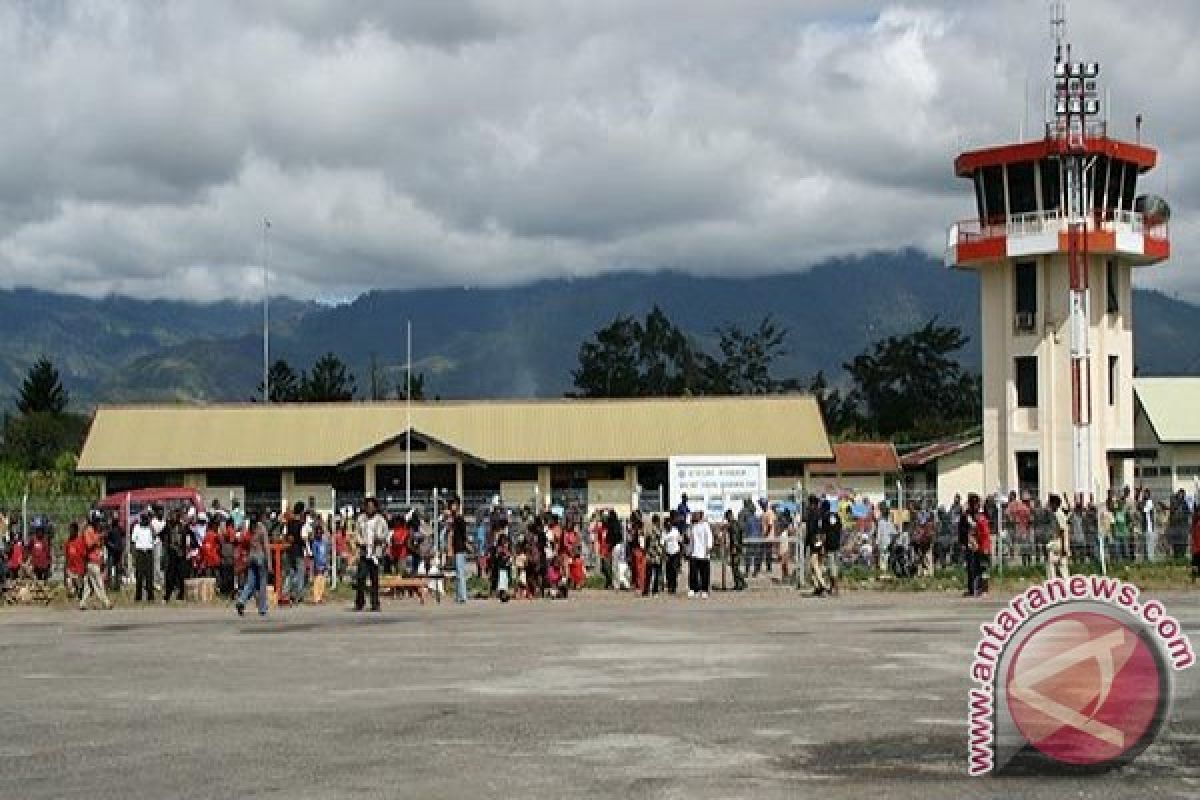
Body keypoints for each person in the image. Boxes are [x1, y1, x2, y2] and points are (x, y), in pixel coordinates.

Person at [355, 497, 386, 612]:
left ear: (376, 507)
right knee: (361, 578)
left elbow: (385, 534)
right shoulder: (361, 519)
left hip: (375, 554)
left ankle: (375, 603)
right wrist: (361, 542)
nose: (370, 508)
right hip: (364, 552)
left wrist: (379, 539)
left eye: (372, 506)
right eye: (368, 506)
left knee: (374, 580)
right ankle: (359, 602)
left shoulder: (380, 520)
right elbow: (357, 533)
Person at [235, 519, 270, 617]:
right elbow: (266, 546)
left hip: (251, 557)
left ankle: (241, 600)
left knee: (250, 583)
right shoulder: (261, 527)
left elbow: (244, 541)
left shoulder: (248, 527)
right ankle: (262, 608)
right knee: (262, 584)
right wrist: (269, 562)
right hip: (260, 557)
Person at [79, 519, 112, 610]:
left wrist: (102, 536)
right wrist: (99, 536)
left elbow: (99, 545)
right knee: (99, 583)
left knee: (88, 585)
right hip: (91, 561)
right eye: (97, 521)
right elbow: (89, 544)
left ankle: (82, 603)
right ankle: (106, 602)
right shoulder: (88, 531)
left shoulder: (95, 531)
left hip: (96, 560)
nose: (99, 523)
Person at [162, 510, 189, 603]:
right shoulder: (168, 526)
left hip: (181, 554)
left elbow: (187, 539)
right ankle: (167, 596)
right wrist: (167, 546)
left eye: (176, 516)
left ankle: (181, 595)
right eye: (173, 516)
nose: (175, 518)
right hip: (172, 553)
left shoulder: (183, 527)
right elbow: (161, 535)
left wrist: (185, 550)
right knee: (170, 575)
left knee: (181, 576)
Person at [283, 502, 306, 604]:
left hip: (289, 550)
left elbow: (286, 535)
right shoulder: (301, 524)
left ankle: (286, 592)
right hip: (298, 550)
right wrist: (304, 542)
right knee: (299, 574)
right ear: (301, 511)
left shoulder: (289, 523)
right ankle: (297, 595)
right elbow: (302, 538)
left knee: (291, 572)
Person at [131, 511, 156, 603]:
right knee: (139, 575)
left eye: (147, 519)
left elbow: (155, 537)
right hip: (140, 552)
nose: (145, 520)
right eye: (144, 519)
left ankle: (150, 596)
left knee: (149, 575)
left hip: (149, 552)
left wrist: (151, 527)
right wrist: (134, 555)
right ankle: (138, 597)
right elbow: (133, 541)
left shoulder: (150, 528)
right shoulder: (137, 527)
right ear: (141, 519)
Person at [448, 498, 469, 604]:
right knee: (457, 573)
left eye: (454, 505)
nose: (452, 507)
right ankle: (458, 595)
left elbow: (464, 535)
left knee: (460, 573)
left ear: (458, 506)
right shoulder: (454, 519)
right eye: (451, 505)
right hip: (457, 548)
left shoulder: (459, 519)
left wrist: (466, 545)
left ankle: (463, 596)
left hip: (460, 548)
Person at [687, 510, 712, 598]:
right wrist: (689, 551)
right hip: (694, 553)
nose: (694, 516)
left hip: (704, 553)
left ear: (700, 516)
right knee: (693, 572)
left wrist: (708, 549)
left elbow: (709, 538)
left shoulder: (705, 525)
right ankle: (693, 589)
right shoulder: (692, 526)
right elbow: (691, 540)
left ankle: (704, 590)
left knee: (704, 573)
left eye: (696, 515)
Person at [807, 498, 829, 597]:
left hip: (815, 541)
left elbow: (811, 530)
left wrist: (808, 542)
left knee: (814, 564)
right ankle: (817, 587)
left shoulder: (813, 514)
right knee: (815, 566)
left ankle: (823, 585)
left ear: (812, 504)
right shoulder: (821, 514)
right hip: (820, 541)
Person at [1047, 494, 1071, 580]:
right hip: (1058, 541)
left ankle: (1058, 583)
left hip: (1059, 542)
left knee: (1060, 565)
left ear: (1054, 504)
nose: (1049, 505)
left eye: (1050, 503)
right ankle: (1056, 583)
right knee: (1054, 563)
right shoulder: (1057, 513)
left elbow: (1062, 531)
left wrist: (1064, 548)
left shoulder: (1059, 514)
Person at [822, 501, 843, 596]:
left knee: (831, 567)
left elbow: (824, 534)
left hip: (829, 545)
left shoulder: (824, 518)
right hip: (837, 544)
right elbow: (840, 529)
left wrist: (822, 546)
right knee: (835, 566)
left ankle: (836, 588)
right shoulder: (837, 516)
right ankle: (832, 587)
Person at [724, 508, 746, 591]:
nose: (727, 520)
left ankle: (741, 584)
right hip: (737, 547)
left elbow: (735, 537)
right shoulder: (736, 523)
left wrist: (734, 547)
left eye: (727, 518)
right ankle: (738, 584)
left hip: (736, 548)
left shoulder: (733, 525)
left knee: (735, 567)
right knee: (734, 566)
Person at [64, 523, 86, 600]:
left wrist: (83, 566)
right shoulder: (68, 542)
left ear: (76, 531)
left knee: (79, 583)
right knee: (69, 584)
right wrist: (66, 567)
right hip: (71, 567)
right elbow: (67, 555)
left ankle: (80, 594)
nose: (71, 532)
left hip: (79, 567)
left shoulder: (80, 541)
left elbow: (84, 554)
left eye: (72, 530)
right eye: (70, 530)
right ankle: (74, 593)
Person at [643, 514, 664, 596]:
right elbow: (662, 543)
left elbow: (646, 543)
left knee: (648, 573)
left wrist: (646, 552)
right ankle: (655, 591)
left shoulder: (649, 531)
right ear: (658, 521)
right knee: (657, 573)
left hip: (650, 554)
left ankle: (646, 590)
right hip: (658, 554)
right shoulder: (660, 531)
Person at [662, 516, 682, 594]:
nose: (668, 526)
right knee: (668, 570)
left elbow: (680, 542)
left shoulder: (675, 531)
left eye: (669, 525)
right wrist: (664, 554)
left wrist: (680, 553)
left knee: (674, 570)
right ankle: (669, 585)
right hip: (668, 553)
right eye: (667, 525)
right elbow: (663, 544)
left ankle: (673, 586)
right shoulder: (664, 532)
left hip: (675, 552)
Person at [311, 524, 329, 604]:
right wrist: (317, 565)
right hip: (317, 564)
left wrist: (326, 563)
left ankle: (320, 596)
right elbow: (314, 555)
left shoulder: (324, 543)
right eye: (317, 533)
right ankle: (316, 597)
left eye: (320, 533)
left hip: (324, 563)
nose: (319, 534)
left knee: (323, 581)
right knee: (317, 581)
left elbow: (326, 553)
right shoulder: (315, 543)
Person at [1191, 507, 1200, 583]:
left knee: (1195, 563)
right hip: (1196, 546)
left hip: (1196, 546)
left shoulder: (1195, 522)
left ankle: (1194, 578)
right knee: (1195, 563)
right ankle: (1194, 578)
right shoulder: (1195, 522)